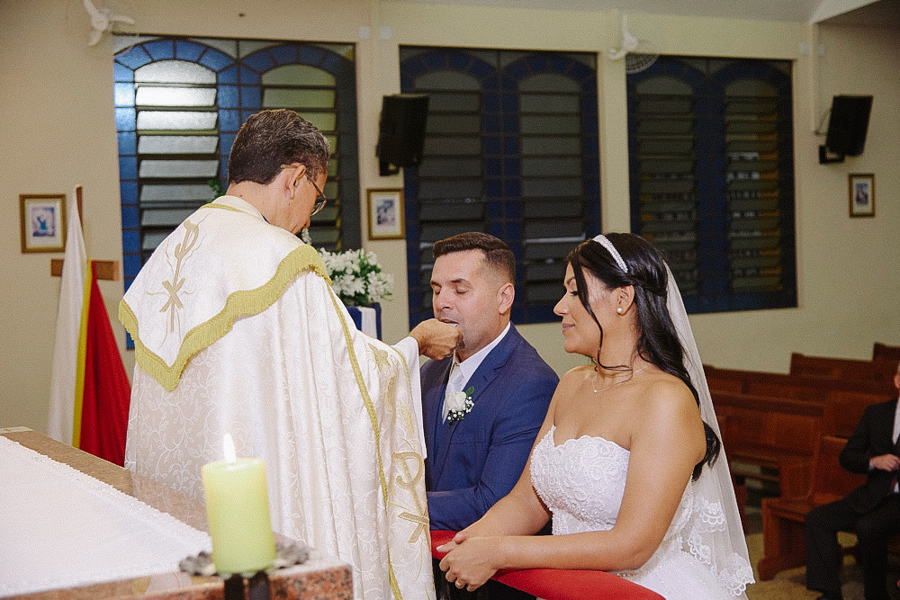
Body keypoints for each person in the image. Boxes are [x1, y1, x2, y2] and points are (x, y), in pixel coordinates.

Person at [119, 109, 460, 600]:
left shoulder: (173, 250)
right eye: (316, 200)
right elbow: (348, 381)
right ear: (295, 177)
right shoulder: (277, 257)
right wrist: (415, 346)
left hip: (180, 513)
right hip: (266, 514)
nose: (307, 220)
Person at [436, 233, 754, 600]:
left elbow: (632, 546)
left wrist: (503, 552)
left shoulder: (665, 400)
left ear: (622, 298)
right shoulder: (572, 384)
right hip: (569, 587)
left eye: (574, 291)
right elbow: (527, 500)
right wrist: (471, 540)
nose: (559, 306)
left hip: (642, 587)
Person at [422, 233, 558, 599]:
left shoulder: (531, 383)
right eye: (436, 290)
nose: (442, 303)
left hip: (494, 585)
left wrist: (398, 504)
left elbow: (495, 500)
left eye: (459, 290)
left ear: (504, 297)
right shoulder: (430, 372)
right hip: (431, 572)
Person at [805, 360, 900, 600]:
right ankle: (830, 592)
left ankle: (876, 595)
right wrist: (873, 461)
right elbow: (847, 456)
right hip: (872, 492)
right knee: (818, 518)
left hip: (898, 500)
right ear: (897, 381)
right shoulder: (876, 413)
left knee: (868, 527)